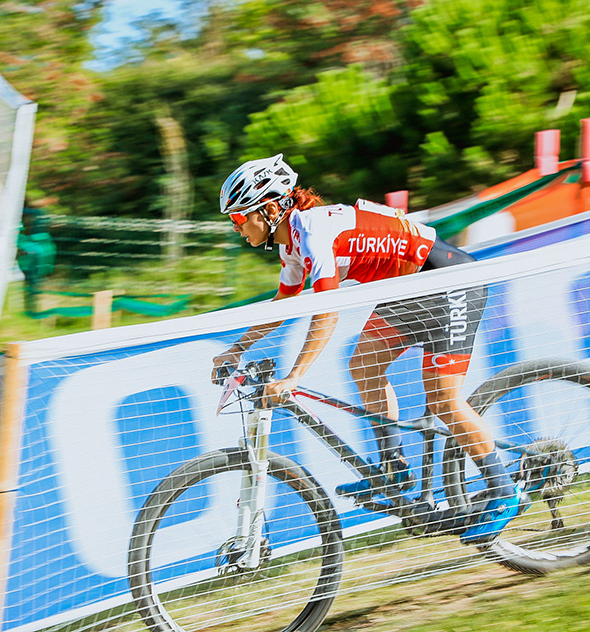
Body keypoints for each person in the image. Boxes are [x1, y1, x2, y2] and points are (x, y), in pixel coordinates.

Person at [211, 154, 525, 543]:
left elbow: (326, 310)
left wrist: (295, 376)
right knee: (363, 364)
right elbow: (284, 307)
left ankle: (503, 490)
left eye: (240, 218)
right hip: (409, 290)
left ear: (270, 207)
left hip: (447, 279)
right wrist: (236, 349)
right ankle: (394, 468)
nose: (237, 228)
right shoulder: (290, 243)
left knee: (444, 399)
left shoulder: (310, 229)